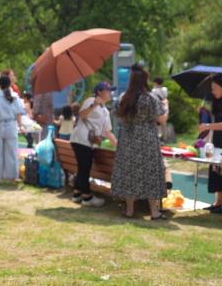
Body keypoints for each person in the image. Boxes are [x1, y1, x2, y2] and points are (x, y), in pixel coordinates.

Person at [111, 66, 169, 219]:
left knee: (130, 173)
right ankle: (154, 212)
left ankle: (130, 211)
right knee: (150, 174)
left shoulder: (123, 98)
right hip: (147, 141)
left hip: (128, 141)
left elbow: (120, 117)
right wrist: (166, 108)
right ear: (145, 80)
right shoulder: (150, 98)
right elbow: (162, 120)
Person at [69, 82, 118, 206]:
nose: (110, 93)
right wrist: (94, 104)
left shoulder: (105, 111)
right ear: (100, 92)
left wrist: (118, 146)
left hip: (87, 141)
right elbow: (82, 115)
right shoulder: (91, 100)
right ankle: (87, 197)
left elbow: (107, 132)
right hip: (80, 139)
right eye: (108, 90)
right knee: (84, 168)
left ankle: (77, 193)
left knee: (83, 168)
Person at [0, 75, 26, 183]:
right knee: (11, 151)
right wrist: (20, 126)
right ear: (10, 84)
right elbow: (18, 113)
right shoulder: (15, 96)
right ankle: (12, 177)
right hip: (11, 125)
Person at [198, 74, 222, 214]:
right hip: (218, 140)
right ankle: (218, 202)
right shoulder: (217, 103)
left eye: (215, 88)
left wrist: (208, 126)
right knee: (216, 171)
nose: (213, 91)